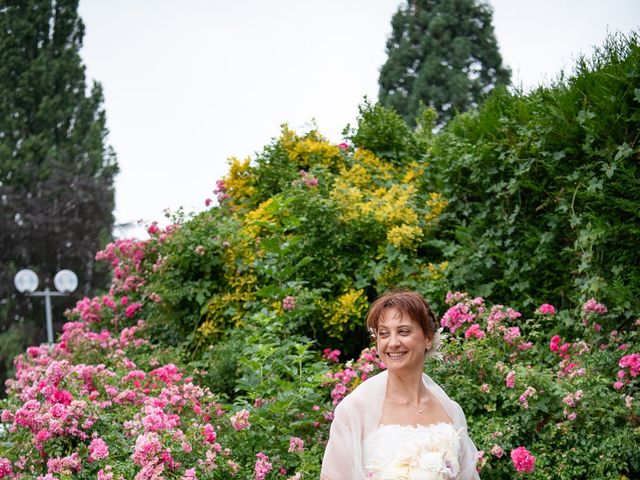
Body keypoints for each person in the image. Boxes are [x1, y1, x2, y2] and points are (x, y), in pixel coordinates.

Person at [321, 290, 480, 479]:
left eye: (403, 331)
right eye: (384, 334)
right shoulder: (355, 410)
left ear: (428, 338)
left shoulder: (451, 411)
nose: (393, 343)